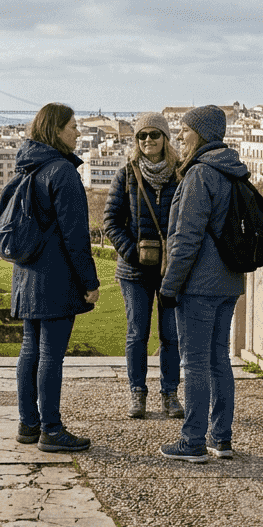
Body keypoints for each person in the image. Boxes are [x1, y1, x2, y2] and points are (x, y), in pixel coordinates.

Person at [158, 105, 247, 463]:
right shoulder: (234, 170)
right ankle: (220, 438)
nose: (180, 137)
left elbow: (186, 239)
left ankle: (193, 440)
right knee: (218, 359)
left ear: (203, 134)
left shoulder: (199, 174)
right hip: (228, 280)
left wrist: (169, 285)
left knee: (194, 362)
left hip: (198, 283)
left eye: (185, 130)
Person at [10, 103, 101, 453]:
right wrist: (90, 282)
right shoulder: (62, 171)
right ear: (56, 131)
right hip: (55, 278)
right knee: (50, 355)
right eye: (73, 126)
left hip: (27, 275)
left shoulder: (27, 166)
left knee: (30, 351)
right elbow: (76, 237)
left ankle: (28, 423)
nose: (79, 132)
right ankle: (51, 428)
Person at [104, 111, 182, 420]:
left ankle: (170, 394)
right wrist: (131, 251)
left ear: (166, 138)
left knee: (171, 335)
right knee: (137, 333)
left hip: (171, 269)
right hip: (134, 270)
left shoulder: (181, 173)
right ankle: (137, 394)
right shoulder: (126, 174)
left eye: (154, 134)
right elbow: (111, 221)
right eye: (142, 136)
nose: (148, 140)